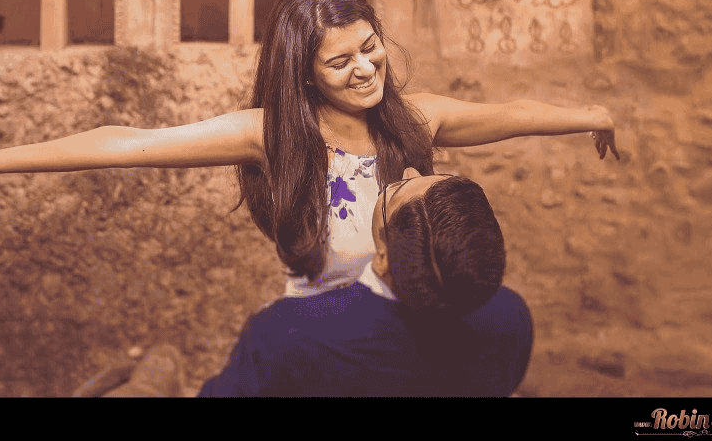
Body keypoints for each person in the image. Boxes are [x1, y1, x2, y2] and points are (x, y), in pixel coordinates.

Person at [0, 0, 619, 301]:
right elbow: (127, 142)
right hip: (319, 341)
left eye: (371, 47)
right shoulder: (269, 136)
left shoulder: (415, 121)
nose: (365, 68)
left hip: (414, 337)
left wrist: (591, 114)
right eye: (340, 61)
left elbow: (507, 114)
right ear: (303, 73)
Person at [90, 170, 530, 397]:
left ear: (383, 253)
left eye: (397, 188)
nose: (411, 168)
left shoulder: (287, 334)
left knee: (150, 373)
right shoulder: (510, 321)